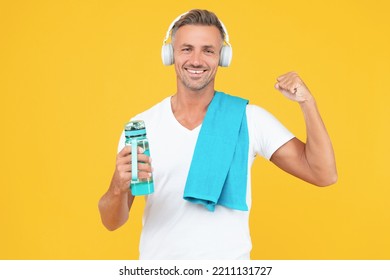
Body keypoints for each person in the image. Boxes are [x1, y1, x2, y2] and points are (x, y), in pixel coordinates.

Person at [98, 9, 337, 259]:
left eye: (208, 50)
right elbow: (111, 222)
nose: (197, 60)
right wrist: (117, 187)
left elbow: (323, 173)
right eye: (186, 49)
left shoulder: (248, 119)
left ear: (222, 57)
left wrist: (307, 103)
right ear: (170, 54)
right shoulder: (142, 126)